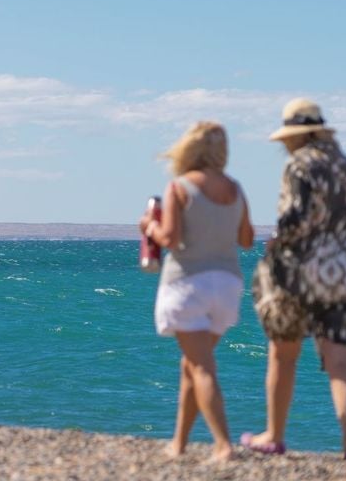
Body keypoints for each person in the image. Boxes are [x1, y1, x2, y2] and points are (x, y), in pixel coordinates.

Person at [241, 98, 346, 461]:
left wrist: (277, 242)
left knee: (283, 354)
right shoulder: (345, 165)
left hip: (299, 270)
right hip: (342, 270)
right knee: (339, 361)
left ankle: (275, 435)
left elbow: (295, 217)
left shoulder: (299, 165)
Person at [139, 121, 255, 462]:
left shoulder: (180, 187)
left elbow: (171, 239)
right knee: (192, 364)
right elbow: (247, 240)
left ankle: (223, 445)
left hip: (189, 283)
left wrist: (149, 226)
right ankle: (179, 443)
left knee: (201, 366)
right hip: (228, 285)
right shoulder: (235, 188)